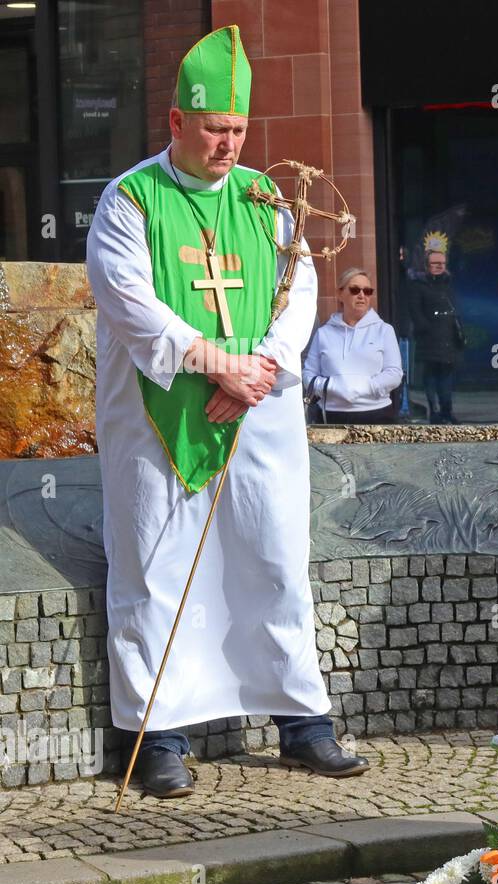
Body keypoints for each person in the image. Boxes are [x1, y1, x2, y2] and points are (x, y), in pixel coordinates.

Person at [85, 25, 368, 798]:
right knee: (156, 564)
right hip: (158, 414)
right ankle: (158, 736)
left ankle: (303, 720)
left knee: (274, 556)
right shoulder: (130, 200)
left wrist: (261, 367)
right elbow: (129, 302)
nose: (229, 144)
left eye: (239, 130)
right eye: (215, 129)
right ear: (176, 122)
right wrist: (218, 363)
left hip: (259, 411)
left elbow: (298, 288)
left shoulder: (263, 199)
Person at [303, 267, 403, 424]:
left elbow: (394, 373)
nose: (362, 295)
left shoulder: (384, 330)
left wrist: (363, 387)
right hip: (331, 415)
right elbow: (309, 374)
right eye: (355, 290)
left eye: (368, 291)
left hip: (377, 414)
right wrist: (333, 386)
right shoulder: (324, 333)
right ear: (340, 294)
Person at [409, 235, 466, 423]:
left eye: (442, 263)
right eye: (435, 263)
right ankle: (434, 412)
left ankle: (447, 411)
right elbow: (415, 311)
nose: (439, 266)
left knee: (446, 379)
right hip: (429, 339)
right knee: (431, 377)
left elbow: (455, 308)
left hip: (448, 339)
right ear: (427, 266)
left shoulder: (448, 283)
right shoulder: (418, 286)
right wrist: (425, 328)